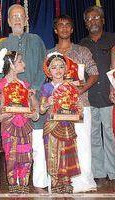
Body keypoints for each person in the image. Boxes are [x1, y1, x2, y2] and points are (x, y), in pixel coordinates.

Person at [0, 4, 49, 193]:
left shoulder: (36, 40)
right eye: (14, 16)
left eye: (21, 16)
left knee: (37, 146)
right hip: (12, 110)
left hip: (34, 101)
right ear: (9, 21)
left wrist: (33, 90)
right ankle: (16, 184)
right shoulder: (2, 45)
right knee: (15, 149)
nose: (18, 19)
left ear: (26, 20)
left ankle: (40, 183)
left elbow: (45, 68)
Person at [48, 14, 98, 192]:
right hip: (57, 109)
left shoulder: (82, 51)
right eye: (60, 25)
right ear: (55, 30)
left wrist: (79, 90)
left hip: (80, 103)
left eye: (67, 25)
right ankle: (62, 181)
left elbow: (94, 73)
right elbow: (47, 83)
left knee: (83, 142)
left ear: (72, 29)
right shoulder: (49, 54)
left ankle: (84, 181)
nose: (63, 28)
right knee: (61, 145)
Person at [0, 50, 39, 193]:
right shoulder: (0, 85)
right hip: (8, 124)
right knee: (11, 155)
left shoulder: (25, 85)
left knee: (26, 154)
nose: (24, 64)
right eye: (20, 62)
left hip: (25, 124)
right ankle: (12, 183)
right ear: (11, 65)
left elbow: (35, 106)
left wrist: (34, 114)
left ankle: (24, 183)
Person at [81, 6, 115, 189]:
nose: (93, 21)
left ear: (103, 20)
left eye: (96, 18)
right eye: (89, 19)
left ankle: (113, 172)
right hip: (90, 98)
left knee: (111, 135)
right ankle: (99, 173)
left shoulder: (112, 40)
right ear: (85, 24)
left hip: (110, 97)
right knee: (93, 137)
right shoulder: (81, 44)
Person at [40, 53, 81, 194]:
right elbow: (41, 109)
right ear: (48, 71)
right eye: (54, 67)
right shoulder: (46, 88)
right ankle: (55, 182)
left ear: (66, 69)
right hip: (51, 124)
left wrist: (78, 110)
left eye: (61, 66)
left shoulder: (70, 87)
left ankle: (66, 181)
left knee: (66, 152)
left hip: (67, 124)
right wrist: (47, 103)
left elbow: (77, 105)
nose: (58, 70)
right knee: (52, 152)